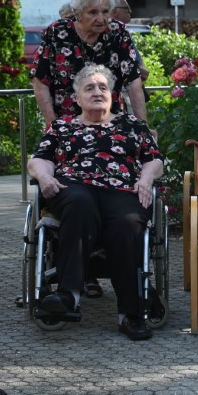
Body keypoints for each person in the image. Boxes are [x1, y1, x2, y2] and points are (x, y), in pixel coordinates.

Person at [26, 64, 164, 341]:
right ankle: (68, 295)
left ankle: (131, 313)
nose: (97, 92)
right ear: (77, 98)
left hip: (122, 188)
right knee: (80, 204)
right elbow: (39, 159)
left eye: (103, 87)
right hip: (74, 186)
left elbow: (154, 159)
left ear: (113, 95)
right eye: (89, 88)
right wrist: (44, 177)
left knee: (127, 222)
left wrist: (146, 179)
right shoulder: (62, 126)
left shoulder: (132, 125)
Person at [32, 0, 147, 127]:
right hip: (66, 125)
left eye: (105, 12)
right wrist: (52, 125)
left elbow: (133, 83)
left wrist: (143, 127)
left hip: (111, 123)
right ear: (78, 14)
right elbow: (40, 80)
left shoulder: (118, 32)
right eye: (93, 12)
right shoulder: (57, 33)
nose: (101, 18)